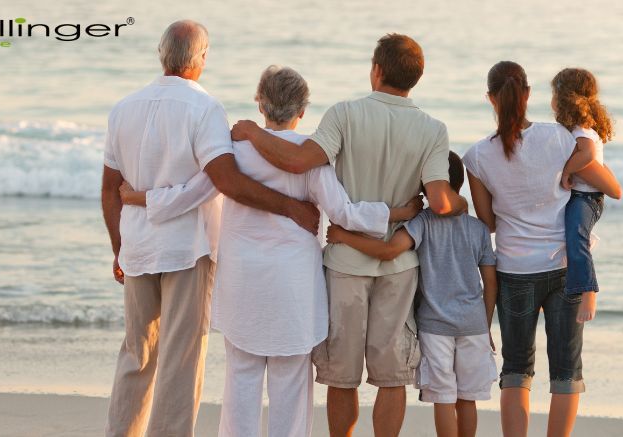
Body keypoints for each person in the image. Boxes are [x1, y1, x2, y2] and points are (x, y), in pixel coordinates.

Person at [120, 65, 422, 437]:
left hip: (242, 283)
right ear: (303, 110)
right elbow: (345, 213)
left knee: (240, 384)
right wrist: (397, 213)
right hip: (292, 287)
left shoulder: (234, 152)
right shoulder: (312, 160)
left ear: (260, 104)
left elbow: (192, 194)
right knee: (291, 390)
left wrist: (140, 198)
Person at [230, 33, 467, 437]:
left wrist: (253, 133)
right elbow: (441, 202)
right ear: (416, 78)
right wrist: (464, 207)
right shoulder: (433, 129)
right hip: (399, 267)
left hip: (344, 262)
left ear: (376, 70)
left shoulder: (344, 114)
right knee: (391, 376)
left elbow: (299, 161)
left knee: (342, 375)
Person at [100, 20, 321, 437]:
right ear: (201, 58)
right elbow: (225, 180)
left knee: (136, 353)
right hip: (187, 248)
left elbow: (110, 189)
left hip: (138, 248)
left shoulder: (123, 108)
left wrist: (119, 247)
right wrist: (290, 207)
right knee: (181, 357)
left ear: (162, 54)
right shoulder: (204, 109)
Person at [326, 152, 498, 437]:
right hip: (474, 326)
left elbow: (389, 251)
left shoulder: (422, 223)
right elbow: (490, 282)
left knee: (444, 399)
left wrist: (344, 237)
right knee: (468, 400)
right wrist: (486, 323)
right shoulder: (479, 230)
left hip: (435, 327)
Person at [462, 61, 585, 437]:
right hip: (564, 265)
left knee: (516, 368)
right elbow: (584, 188)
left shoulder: (477, 156)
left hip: (514, 269)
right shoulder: (560, 137)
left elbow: (488, 222)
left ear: (490, 98)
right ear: (528, 94)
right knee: (566, 370)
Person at [551, 68, 623, 323]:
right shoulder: (574, 128)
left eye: (554, 93)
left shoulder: (582, 129)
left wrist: (567, 171)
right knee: (560, 239)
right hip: (579, 195)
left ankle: (588, 290)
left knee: (575, 236)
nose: (551, 100)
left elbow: (589, 155)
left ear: (565, 97)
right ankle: (555, 290)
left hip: (587, 197)